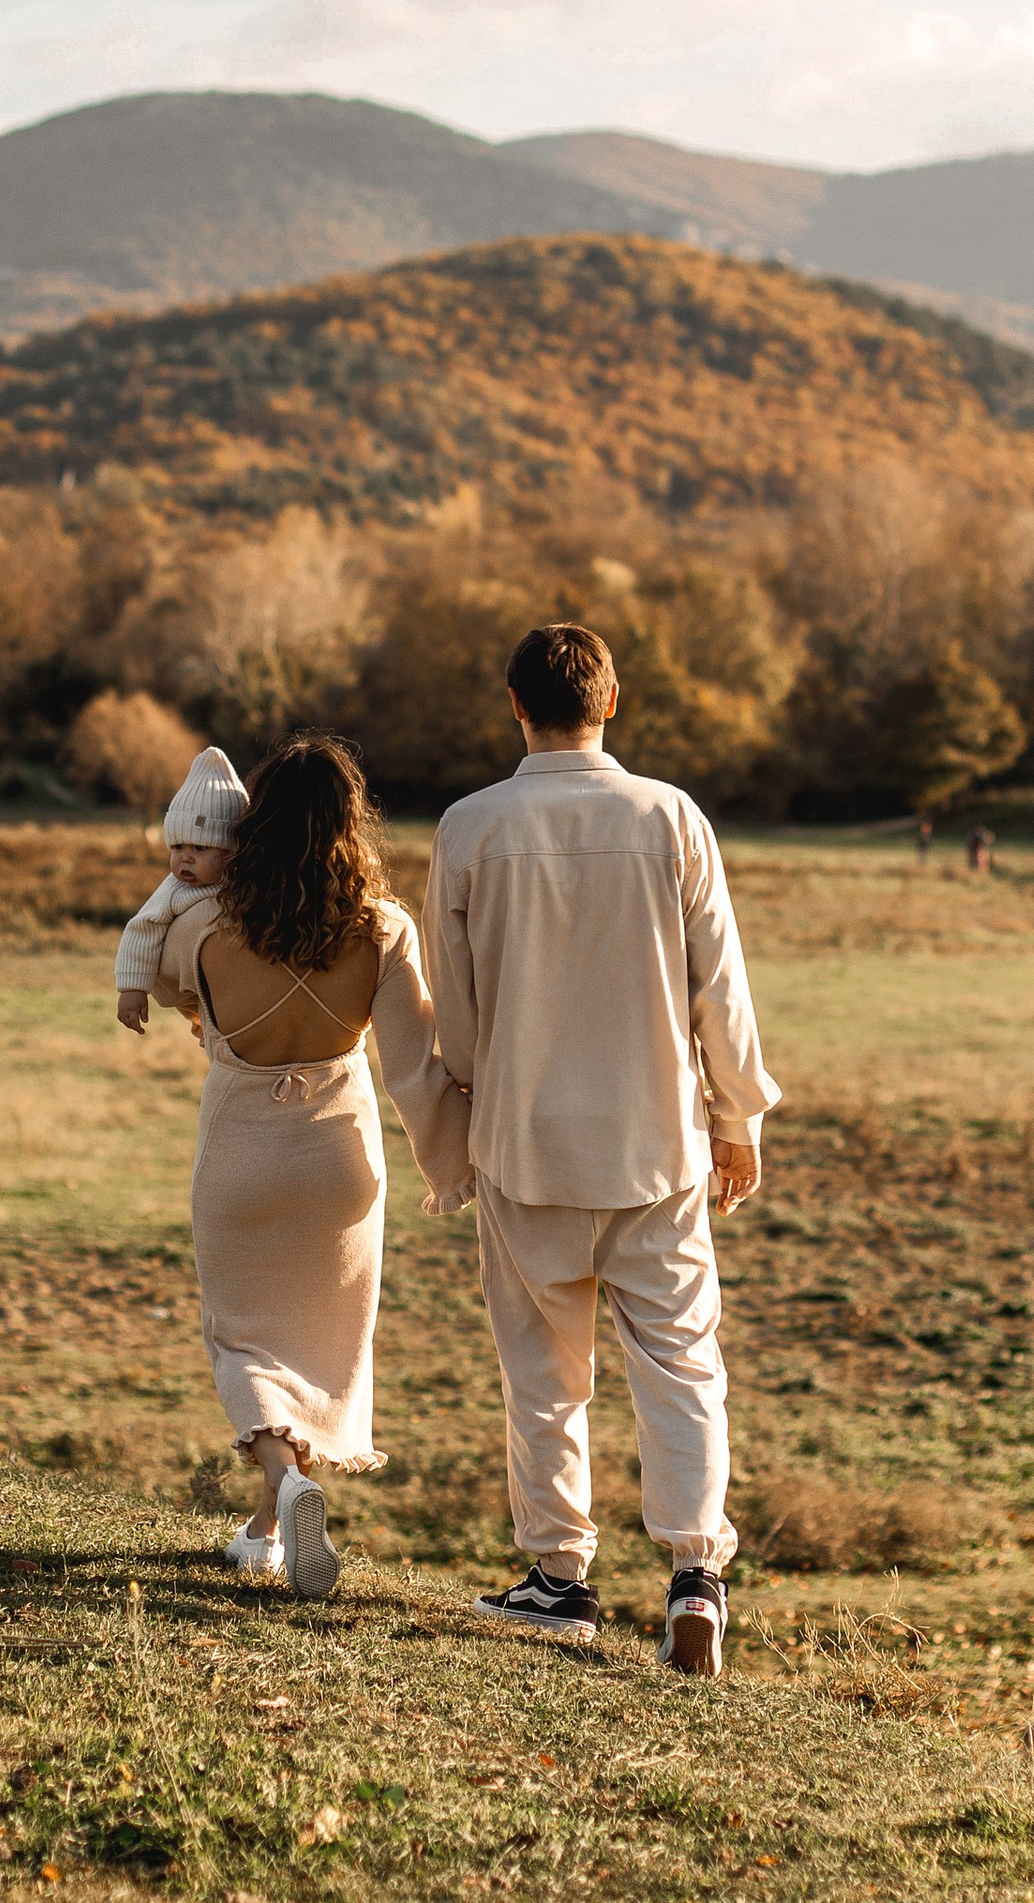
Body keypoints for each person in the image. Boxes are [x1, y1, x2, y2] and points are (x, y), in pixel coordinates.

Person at [423, 621, 780, 1680]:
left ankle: (558, 1577)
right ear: (610, 702)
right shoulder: (671, 818)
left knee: (543, 1375)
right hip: (657, 1145)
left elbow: (457, 1011)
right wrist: (736, 1116)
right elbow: (720, 984)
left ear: (515, 707)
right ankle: (693, 1573)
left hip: (523, 1146)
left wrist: (475, 1111)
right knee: (679, 1364)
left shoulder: (470, 827)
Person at [155, 738, 472, 1600]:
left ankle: (283, 1494)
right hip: (340, 1155)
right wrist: (451, 1164)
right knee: (324, 1342)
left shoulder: (203, 923)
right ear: (349, 828)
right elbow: (414, 1070)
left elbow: (165, 985)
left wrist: (204, 1017)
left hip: (239, 1151)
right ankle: (270, 1521)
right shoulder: (383, 928)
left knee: (242, 1336)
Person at [114, 747, 247, 1032]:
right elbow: (142, 929)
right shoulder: (174, 890)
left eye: (200, 848)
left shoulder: (247, 883)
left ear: (232, 850)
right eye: (177, 847)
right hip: (196, 996)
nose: (186, 858)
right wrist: (132, 989)